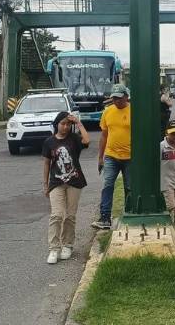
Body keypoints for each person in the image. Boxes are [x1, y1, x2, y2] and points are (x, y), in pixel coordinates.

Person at [42, 112, 91, 264]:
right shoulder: (49, 142)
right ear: (57, 124)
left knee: (70, 216)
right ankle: (54, 248)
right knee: (56, 215)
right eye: (62, 124)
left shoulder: (74, 139)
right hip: (56, 182)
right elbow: (46, 164)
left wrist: (78, 122)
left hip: (74, 182)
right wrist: (45, 184)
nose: (65, 127)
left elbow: (87, 140)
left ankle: (67, 245)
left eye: (68, 124)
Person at [91, 84, 132, 230]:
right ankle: (105, 218)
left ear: (126, 97)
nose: (117, 101)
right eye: (114, 98)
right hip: (111, 155)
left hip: (130, 157)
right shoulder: (107, 112)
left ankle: (129, 213)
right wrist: (100, 157)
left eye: (120, 98)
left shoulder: (134, 111)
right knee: (108, 185)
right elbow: (104, 135)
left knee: (129, 186)